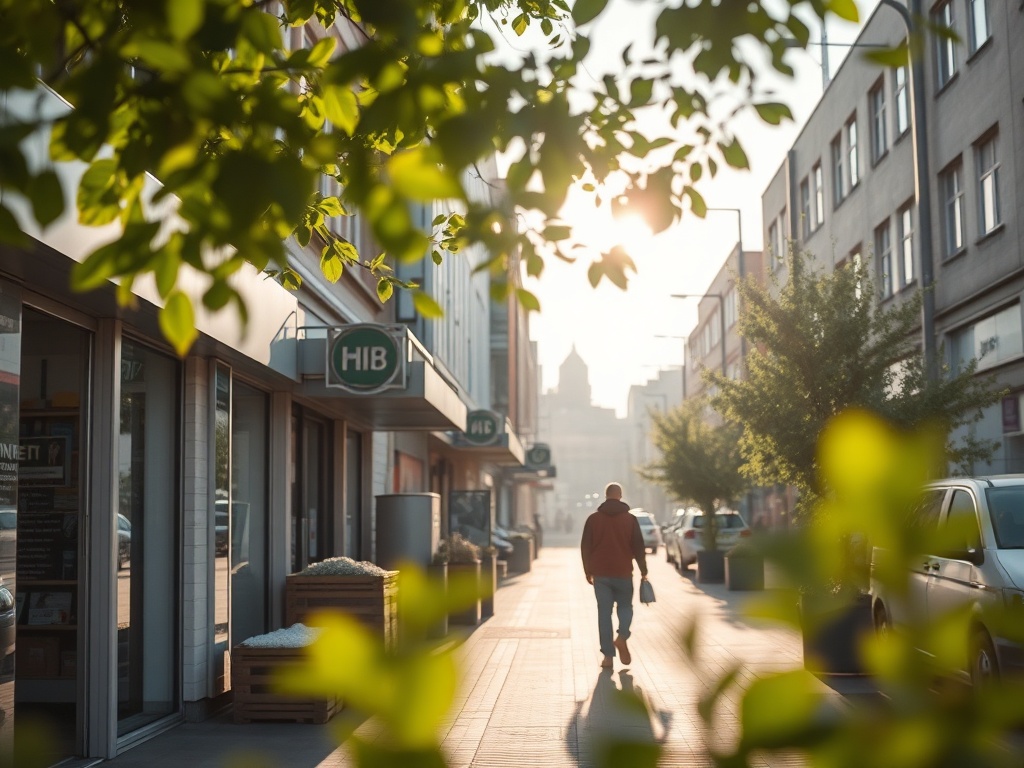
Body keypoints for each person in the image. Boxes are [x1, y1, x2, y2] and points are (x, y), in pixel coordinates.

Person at [580, 482, 649, 669]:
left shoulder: (593, 519)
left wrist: (587, 570)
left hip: (601, 574)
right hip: (623, 572)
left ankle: (608, 657)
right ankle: (622, 636)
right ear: (620, 495)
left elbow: (585, 547)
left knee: (604, 614)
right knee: (626, 608)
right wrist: (643, 570)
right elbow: (638, 547)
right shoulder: (630, 519)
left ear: (606, 496)